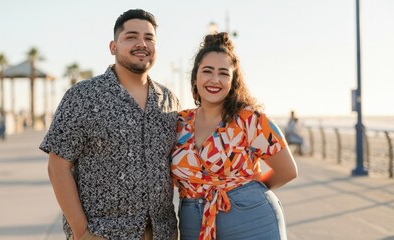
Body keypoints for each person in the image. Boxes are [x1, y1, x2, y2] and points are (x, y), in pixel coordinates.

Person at [39, 9, 180, 240]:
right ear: (113, 47)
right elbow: (58, 166)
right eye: (131, 37)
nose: (141, 43)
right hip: (104, 233)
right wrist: (82, 233)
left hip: (161, 233)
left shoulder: (169, 101)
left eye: (149, 38)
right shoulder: (83, 96)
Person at [170, 32, 298, 240]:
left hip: (251, 219)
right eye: (207, 71)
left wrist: (241, 191)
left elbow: (288, 170)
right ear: (195, 77)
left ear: (233, 81)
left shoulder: (250, 120)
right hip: (194, 222)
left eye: (224, 73)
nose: (215, 80)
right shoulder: (179, 124)